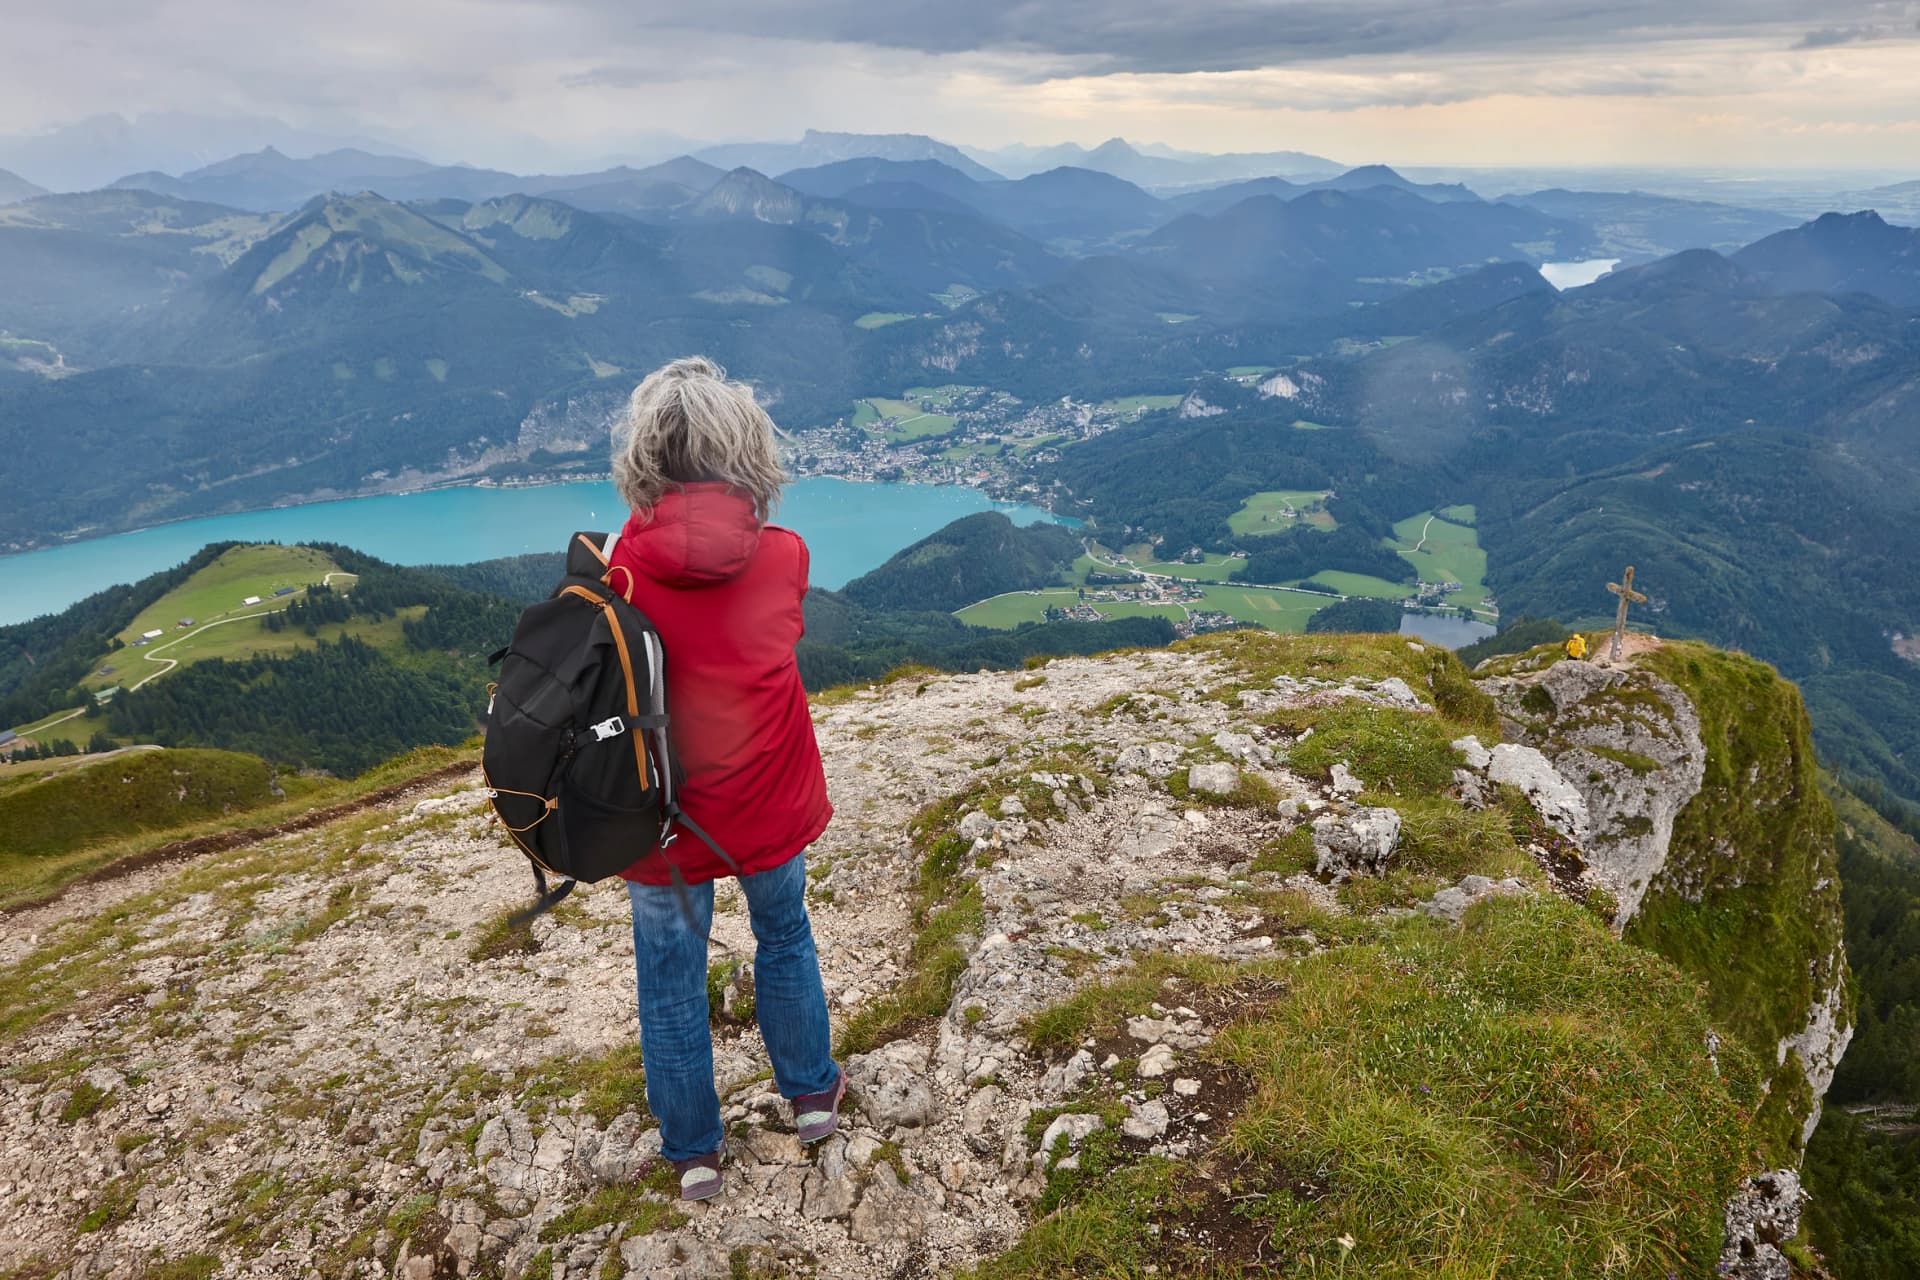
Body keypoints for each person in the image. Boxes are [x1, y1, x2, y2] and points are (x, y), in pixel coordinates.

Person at [605, 356, 843, 1202]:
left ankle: (695, 1153)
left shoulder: (617, 566)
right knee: (784, 937)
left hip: (662, 818)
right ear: (745, 451)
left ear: (645, 458)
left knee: (670, 980)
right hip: (767, 802)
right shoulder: (785, 556)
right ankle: (812, 1098)